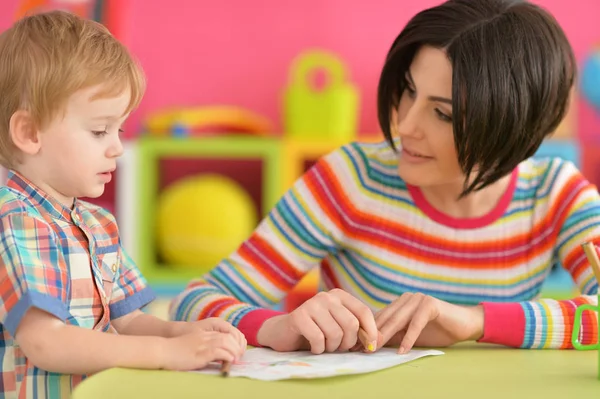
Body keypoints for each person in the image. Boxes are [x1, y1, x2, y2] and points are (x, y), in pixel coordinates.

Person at [171, 0, 599, 354]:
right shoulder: (352, 179)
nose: (406, 125)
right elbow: (191, 303)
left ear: (513, 124)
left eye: (443, 113)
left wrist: (474, 321)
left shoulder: (555, 193)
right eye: (409, 90)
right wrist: (275, 327)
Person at [0, 11, 245, 398]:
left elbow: (128, 321)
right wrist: (165, 351)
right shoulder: (16, 219)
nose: (116, 146)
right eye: (99, 131)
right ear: (29, 132)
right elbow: (45, 342)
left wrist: (184, 333)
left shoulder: (98, 223)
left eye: (120, 129)